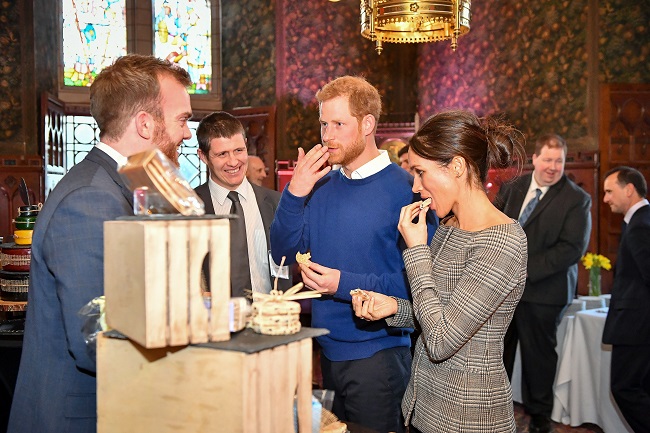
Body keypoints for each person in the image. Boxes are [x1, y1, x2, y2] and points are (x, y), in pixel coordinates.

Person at [8, 54, 193, 433]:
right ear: (145, 123)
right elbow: (99, 340)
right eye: (183, 120)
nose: (187, 134)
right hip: (82, 416)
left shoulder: (128, 185)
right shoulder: (92, 199)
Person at [270, 76, 437, 433]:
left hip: (379, 356)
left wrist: (343, 284)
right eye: (324, 124)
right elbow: (282, 254)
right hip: (325, 351)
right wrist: (296, 191)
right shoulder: (321, 184)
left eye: (339, 124)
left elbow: (423, 285)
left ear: (367, 125)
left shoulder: (408, 190)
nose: (327, 135)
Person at [352, 110, 528, 433]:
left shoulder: (504, 241)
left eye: (420, 172)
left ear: (457, 167)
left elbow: (441, 340)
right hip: (425, 409)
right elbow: (436, 313)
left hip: (467, 418)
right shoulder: (448, 227)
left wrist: (416, 250)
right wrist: (393, 308)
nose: (416, 186)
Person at [496, 133, 592, 433]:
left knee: (539, 360)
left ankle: (539, 419)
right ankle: (495, 410)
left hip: (544, 292)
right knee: (498, 353)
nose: (552, 167)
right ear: (534, 159)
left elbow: (571, 249)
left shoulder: (577, 199)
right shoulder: (514, 187)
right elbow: (494, 222)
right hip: (503, 291)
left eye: (559, 161)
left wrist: (521, 270)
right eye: (547, 159)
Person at [194, 111, 291, 295]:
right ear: (203, 156)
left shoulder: (275, 203)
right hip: (214, 319)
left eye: (238, 151)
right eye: (222, 154)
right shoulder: (190, 207)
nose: (233, 162)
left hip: (269, 317)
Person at [601, 166, 650, 433]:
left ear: (628, 189)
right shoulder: (640, 220)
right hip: (639, 325)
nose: (606, 198)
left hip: (637, 326)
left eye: (610, 191)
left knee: (625, 388)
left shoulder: (641, 224)